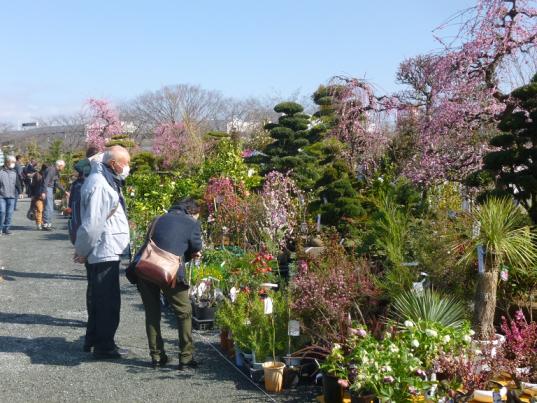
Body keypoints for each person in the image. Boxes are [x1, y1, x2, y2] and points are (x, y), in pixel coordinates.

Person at [74, 145, 131, 359]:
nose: (128, 168)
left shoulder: (104, 178)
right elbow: (92, 224)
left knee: (98, 297)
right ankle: (105, 345)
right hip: (103, 248)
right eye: (126, 163)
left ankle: (95, 340)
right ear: (114, 164)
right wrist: (82, 250)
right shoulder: (100, 183)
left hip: (104, 247)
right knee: (106, 300)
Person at [137, 197, 202, 370]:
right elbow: (195, 247)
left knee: (152, 313)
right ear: (192, 211)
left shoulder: (158, 219)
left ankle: (157, 357)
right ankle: (186, 358)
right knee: (184, 312)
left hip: (146, 268)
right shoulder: (191, 223)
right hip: (169, 272)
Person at [40, 160, 68, 231]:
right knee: (48, 207)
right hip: (47, 189)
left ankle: (48, 223)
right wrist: (43, 192)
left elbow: (57, 183)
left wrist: (64, 191)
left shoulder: (55, 171)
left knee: (50, 207)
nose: (63, 168)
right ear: (60, 166)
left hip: (50, 189)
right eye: (63, 167)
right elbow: (46, 181)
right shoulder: (51, 170)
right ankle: (45, 224)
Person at [0, 156, 23, 236]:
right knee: (2, 212)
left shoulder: (14, 172)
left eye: (14, 162)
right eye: (12, 162)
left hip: (11, 196)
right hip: (1, 196)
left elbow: (18, 183)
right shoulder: (0, 171)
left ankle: (6, 229)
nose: (14, 164)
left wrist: (20, 192)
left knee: (9, 213)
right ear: (7, 162)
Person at [29, 165, 46, 230]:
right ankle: (39, 224)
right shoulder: (37, 175)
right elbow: (32, 185)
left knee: (43, 210)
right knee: (39, 209)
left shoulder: (46, 175)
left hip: (45, 195)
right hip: (37, 195)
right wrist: (32, 195)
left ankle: (42, 222)